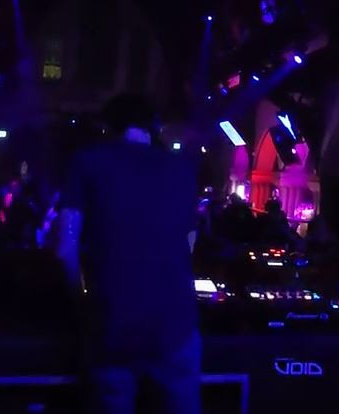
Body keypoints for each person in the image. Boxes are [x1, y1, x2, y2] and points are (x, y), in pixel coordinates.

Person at [56, 93, 201, 414]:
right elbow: (189, 243)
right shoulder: (182, 168)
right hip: (175, 323)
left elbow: (65, 249)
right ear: (153, 126)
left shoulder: (87, 162)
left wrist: (81, 303)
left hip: (112, 321)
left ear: (108, 126)